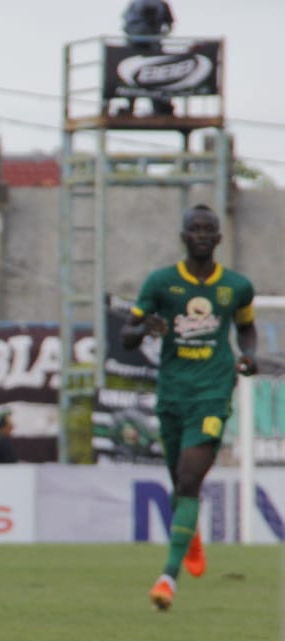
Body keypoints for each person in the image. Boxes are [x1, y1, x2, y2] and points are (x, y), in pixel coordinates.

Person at [122, 204, 256, 611]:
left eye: (208, 230)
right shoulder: (161, 283)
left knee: (189, 478)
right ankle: (189, 535)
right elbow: (126, 335)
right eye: (194, 229)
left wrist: (248, 356)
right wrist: (145, 327)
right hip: (173, 394)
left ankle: (168, 577)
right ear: (184, 236)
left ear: (218, 238)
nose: (201, 235)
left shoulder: (236, 286)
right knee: (179, 480)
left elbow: (246, 328)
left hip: (213, 392)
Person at [121, 0, 175, 116]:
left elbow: (126, 27)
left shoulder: (136, 4)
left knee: (138, 78)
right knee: (148, 79)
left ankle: (133, 107)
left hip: (141, 47)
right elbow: (169, 26)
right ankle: (158, 108)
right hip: (148, 47)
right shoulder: (160, 5)